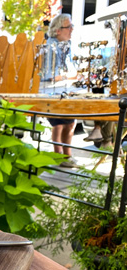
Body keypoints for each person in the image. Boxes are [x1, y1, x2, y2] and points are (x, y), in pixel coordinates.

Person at [43, 13, 77, 168]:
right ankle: (60, 156)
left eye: (72, 26)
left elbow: (69, 70)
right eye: (68, 27)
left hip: (63, 90)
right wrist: (67, 75)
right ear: (58, 30)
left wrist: (73, 75)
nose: (71, 30)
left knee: (70, 122)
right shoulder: (50, 46)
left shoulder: (66, 46)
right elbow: (49, 75)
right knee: (59, 123)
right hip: (49, 92)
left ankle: (66, 155)